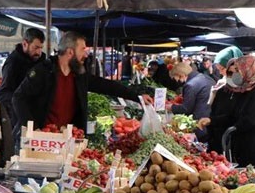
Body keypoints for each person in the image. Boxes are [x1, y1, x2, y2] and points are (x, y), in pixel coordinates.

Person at [13, 32, 151, 132]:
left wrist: (137, 97)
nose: (85, 54)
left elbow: (106, 86)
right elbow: (18, 98)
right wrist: (33, 129)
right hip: (43, 138)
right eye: (83, 49)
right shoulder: (43, 72)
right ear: (70, 52)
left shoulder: (79, 74)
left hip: (67, 138)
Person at [197, 55, 255, 193]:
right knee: (247, 189)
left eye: (238, 70)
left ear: (249, 69)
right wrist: (212, 121)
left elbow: (249, 120)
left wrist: (232, 130)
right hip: (245, 145)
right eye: (233, 71)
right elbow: (233, 115)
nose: (236, 74)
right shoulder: (245, 90)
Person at [0, 28, 47, 161]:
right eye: (35, 47)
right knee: (24, 157)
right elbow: (3, 93)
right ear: (25, 44)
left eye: (41, 48)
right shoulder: (12, 63)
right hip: (21, 121)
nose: (38, 52)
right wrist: (20, 105)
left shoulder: (42, 60)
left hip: (40, 120)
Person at [169, 61, 215, 141]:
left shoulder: (190, 85)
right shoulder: (206, 77)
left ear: (181, 75)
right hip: (211, 119)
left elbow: (186, 109)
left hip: (200, 123)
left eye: (176, 78)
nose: (177, 81)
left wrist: (171, 107)